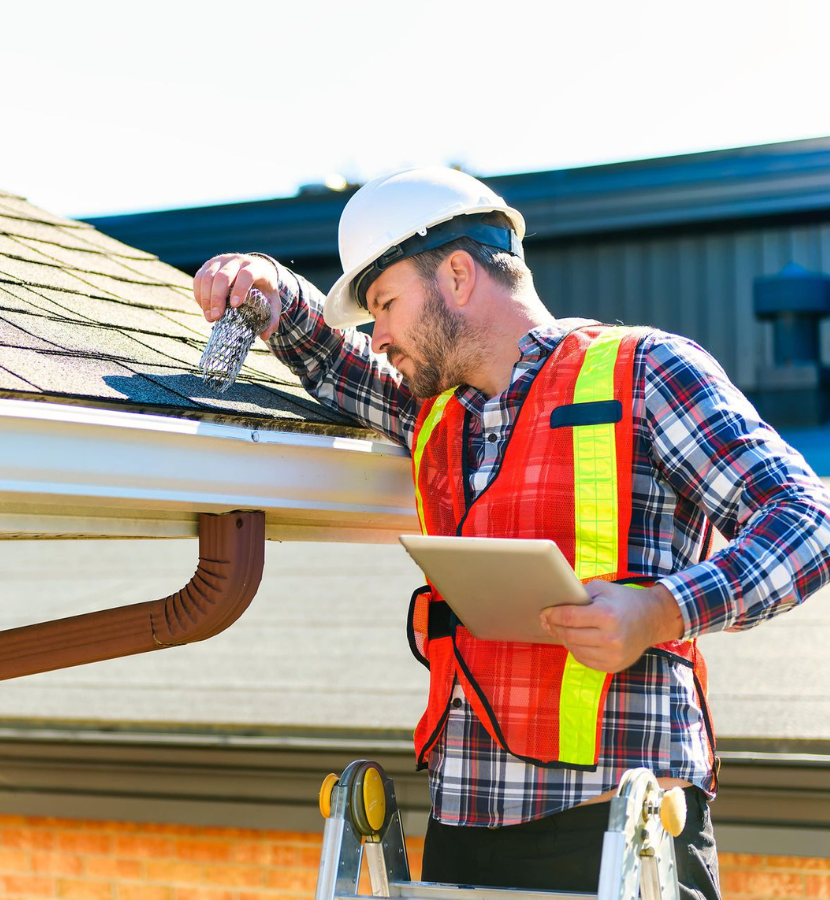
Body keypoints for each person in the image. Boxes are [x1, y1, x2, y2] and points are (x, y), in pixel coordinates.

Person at [191, 167, 830, 900]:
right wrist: (267, 288)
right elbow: (337, 361)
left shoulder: (648, 370)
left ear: (458, 275)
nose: (381, 334)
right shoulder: (435, 413)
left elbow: (807, 522)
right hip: (466, 825)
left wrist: (658, 611)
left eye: (387, 305)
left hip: (619, 828)